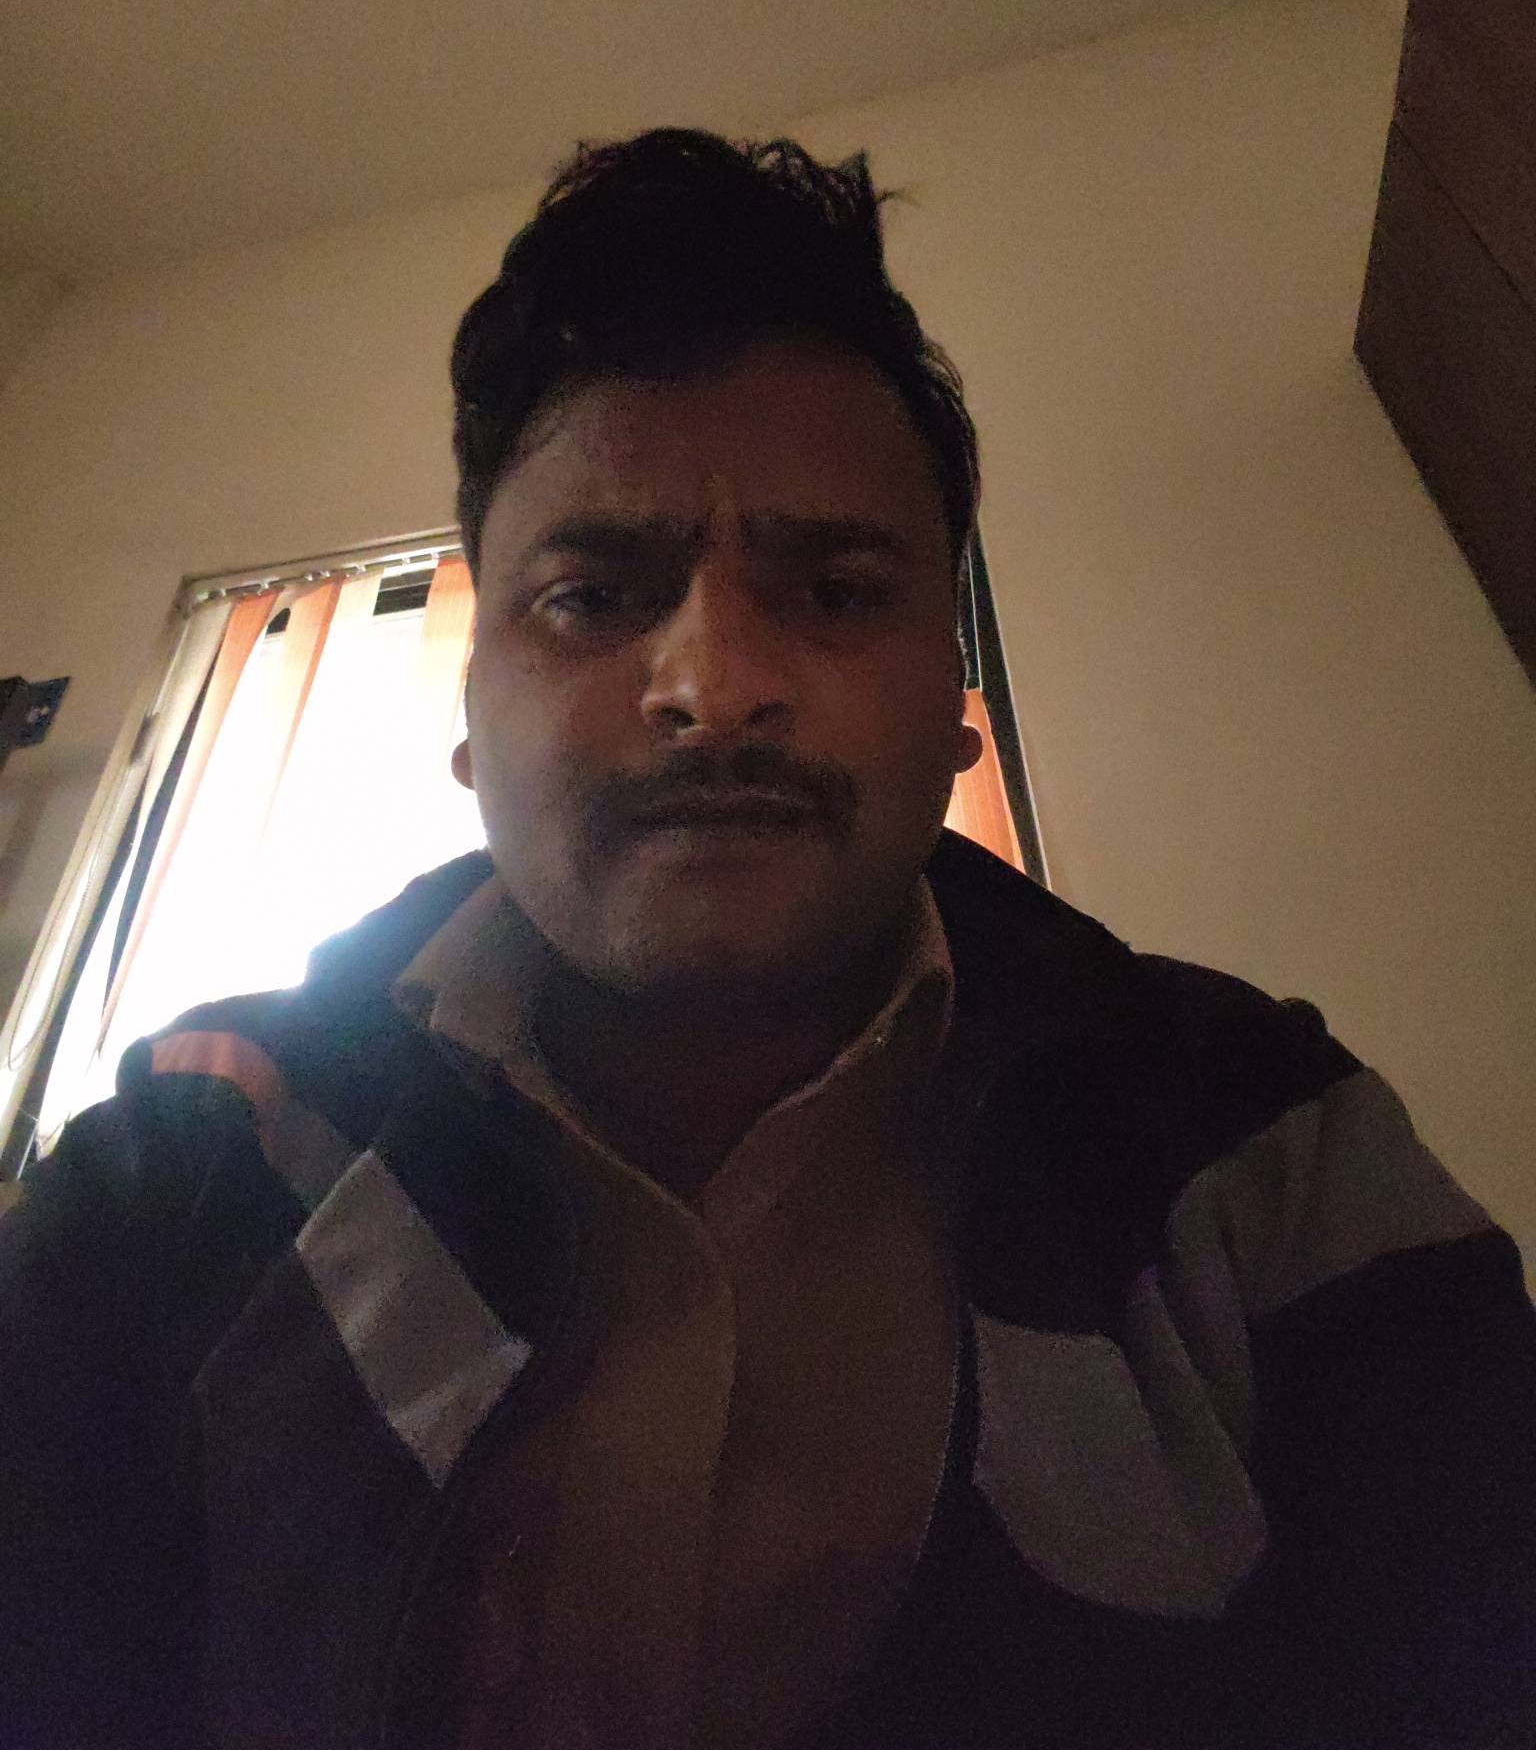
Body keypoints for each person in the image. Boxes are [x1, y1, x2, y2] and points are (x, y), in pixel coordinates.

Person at [2, 129, 1533, 1750]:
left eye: (841, 589)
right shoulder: (195, 1153)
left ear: (954, 710)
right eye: (594, 596)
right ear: (469, 719)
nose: (715, 685)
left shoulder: (1266, 1152)